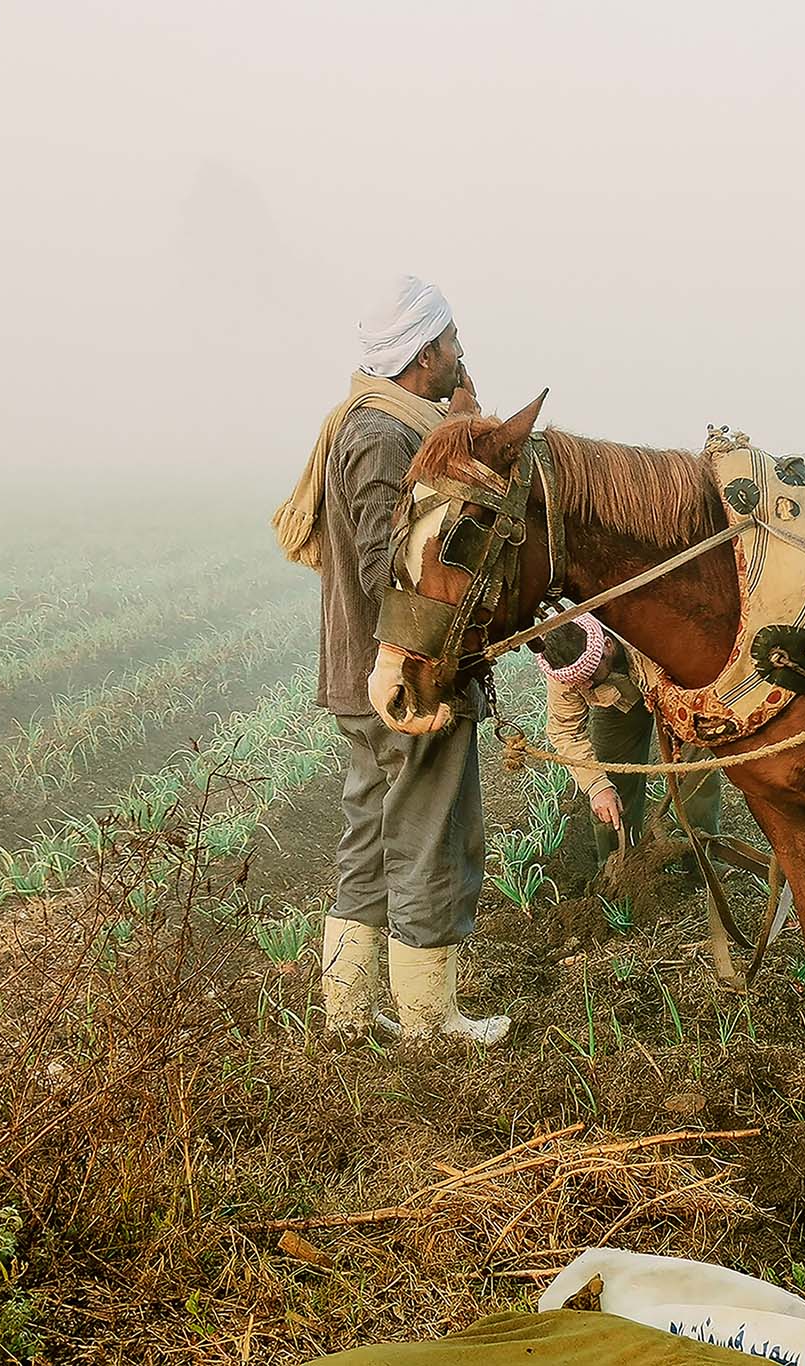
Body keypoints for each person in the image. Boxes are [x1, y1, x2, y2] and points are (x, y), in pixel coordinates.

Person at [283, 275, 509, 1047]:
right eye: (451, 342)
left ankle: (348, 1022)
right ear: (424, 352)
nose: (461, 353)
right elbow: (395, 568)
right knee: (426, 837)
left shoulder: (377, 424)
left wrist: (459, 430)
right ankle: (429, 1024)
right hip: (403, 679)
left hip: (361, 678)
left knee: (369, 840)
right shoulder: (385, 439)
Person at [537, 614, 721, 869]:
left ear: (607, 646)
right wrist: (597, 787)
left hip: (671, 688)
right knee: (611, 782)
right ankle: (619, 868)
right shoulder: (566, 673)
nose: (586, 685)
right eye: (579, 682)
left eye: (590, 675)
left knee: (696, 770)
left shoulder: (641, 626)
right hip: (616, 705)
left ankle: (703, 856)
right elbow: (565, 731)